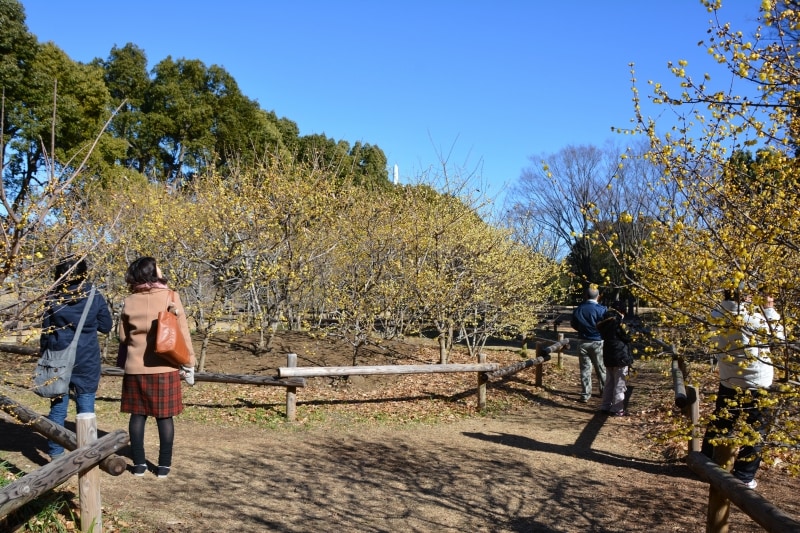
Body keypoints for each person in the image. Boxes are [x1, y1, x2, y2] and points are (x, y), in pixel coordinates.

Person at [118, 257, 196, 478]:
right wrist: (189, 363)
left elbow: (123, 336)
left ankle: (140, 465)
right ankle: (163, 466)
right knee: (164, 417)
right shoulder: (170, 297)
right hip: (164, 367)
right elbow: (182, 332)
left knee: (137, 416)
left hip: (135, 367)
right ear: (153, 272)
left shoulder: (129, 300)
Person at [701, 289, 784, 489]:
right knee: (756, 429)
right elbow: (778, 338)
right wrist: (770, 309)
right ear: (746, 295)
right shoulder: (753, 316)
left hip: (729, 378)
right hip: (757, 381)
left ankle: (706, 462)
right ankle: (744, 475)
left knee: (721, 420)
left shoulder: (716, 313)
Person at [41, 258, 113, 459]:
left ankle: (56, 455)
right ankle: (87, 454)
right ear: (83, 273)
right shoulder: (93, 295)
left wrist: (44, 355)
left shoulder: (52, 297)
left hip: (57, 357)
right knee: (86, 408)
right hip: (86, 357)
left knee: (57, 409)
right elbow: (106, 326)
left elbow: (46, 331)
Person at [570, 285, 607, 403]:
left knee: (585, 369)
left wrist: (582, 330)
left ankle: (586, 394)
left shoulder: (579, 309)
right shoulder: (602, 309)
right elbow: (606, 325)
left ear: (586, 296)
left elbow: (574, 324)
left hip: (583, 341)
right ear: (598, 296)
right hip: (598, 341)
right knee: (601, 368)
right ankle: (604, 391)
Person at [597, 301, 634, 416]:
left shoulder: (604, 321)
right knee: (619, 383)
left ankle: (605, 405)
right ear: (621, 311)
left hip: (608, 354)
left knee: (609, 382)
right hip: (620, 355)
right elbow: (627, 337)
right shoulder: (617, 321)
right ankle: (617, 408)